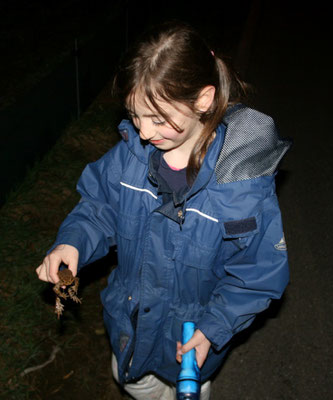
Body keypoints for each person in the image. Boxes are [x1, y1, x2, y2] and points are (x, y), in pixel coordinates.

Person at [36, 21, 291, 400]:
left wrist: (214, 327)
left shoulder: (241, 189)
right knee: (135, 384)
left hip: (191, 343)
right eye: (134, 116)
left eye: (157, 119)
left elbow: (258, 274)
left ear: (203, 100)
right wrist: (72, 242)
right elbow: (98, 207)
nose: (142, 132)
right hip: (131, 329)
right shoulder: (130, 159)